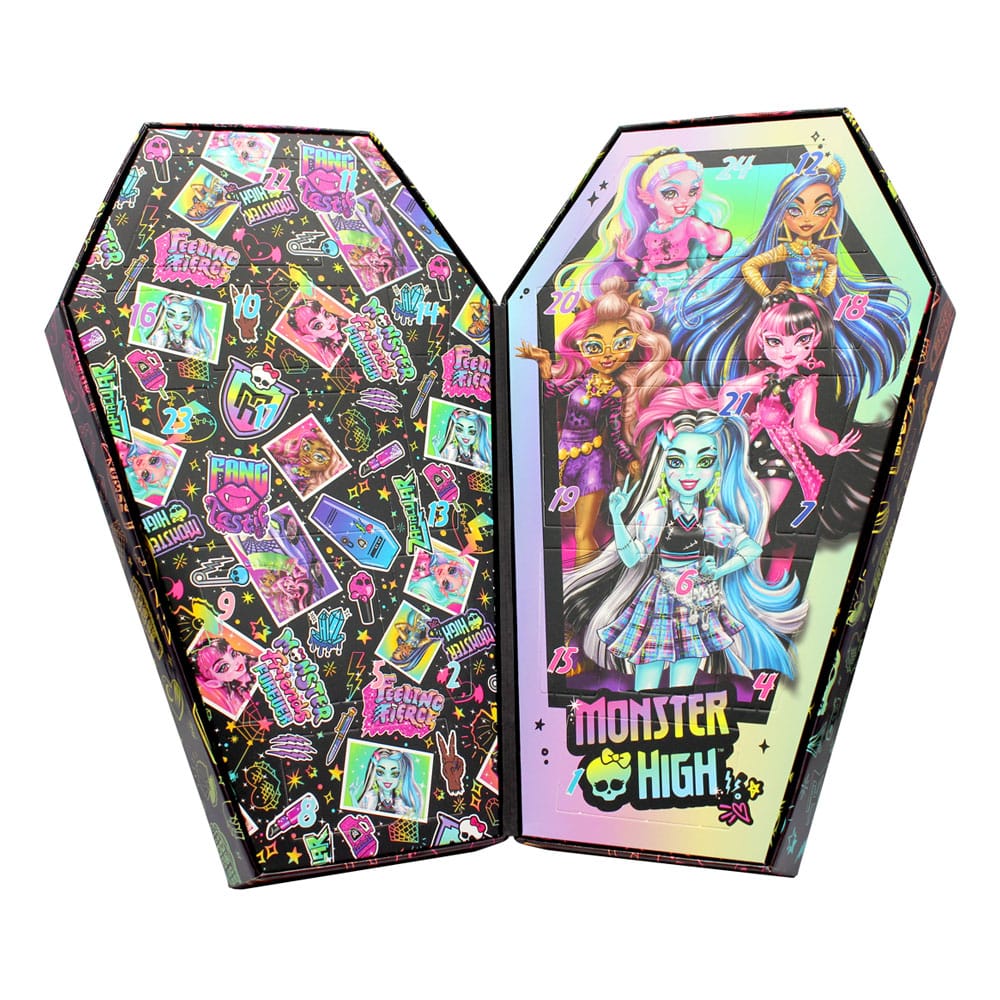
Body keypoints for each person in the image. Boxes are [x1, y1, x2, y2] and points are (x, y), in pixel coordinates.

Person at [564, 384, 806, 690]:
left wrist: (720, 570)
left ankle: (675, 714)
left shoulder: (710, 516)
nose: (689, 472)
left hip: (697, 600)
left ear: (716, 469)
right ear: (664, 466)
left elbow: (750, 548)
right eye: (677, 462)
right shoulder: (657, 512)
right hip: (659, 596)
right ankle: (645, 714)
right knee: (648, 675)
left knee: (684, 678)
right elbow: (632, 557)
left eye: (703, 462)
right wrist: (618, 518)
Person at [517, 276, 676, 564]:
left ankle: (586, 583)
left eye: (621, 343)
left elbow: (615, 433)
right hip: (564, 457)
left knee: (583, 533)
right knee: (545, 525)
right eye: (594, 346)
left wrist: (629, 460)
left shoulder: (614, 393)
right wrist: (543, 363)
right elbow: (550, 392)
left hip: (593, 462)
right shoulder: (579, 380)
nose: (608, 355)